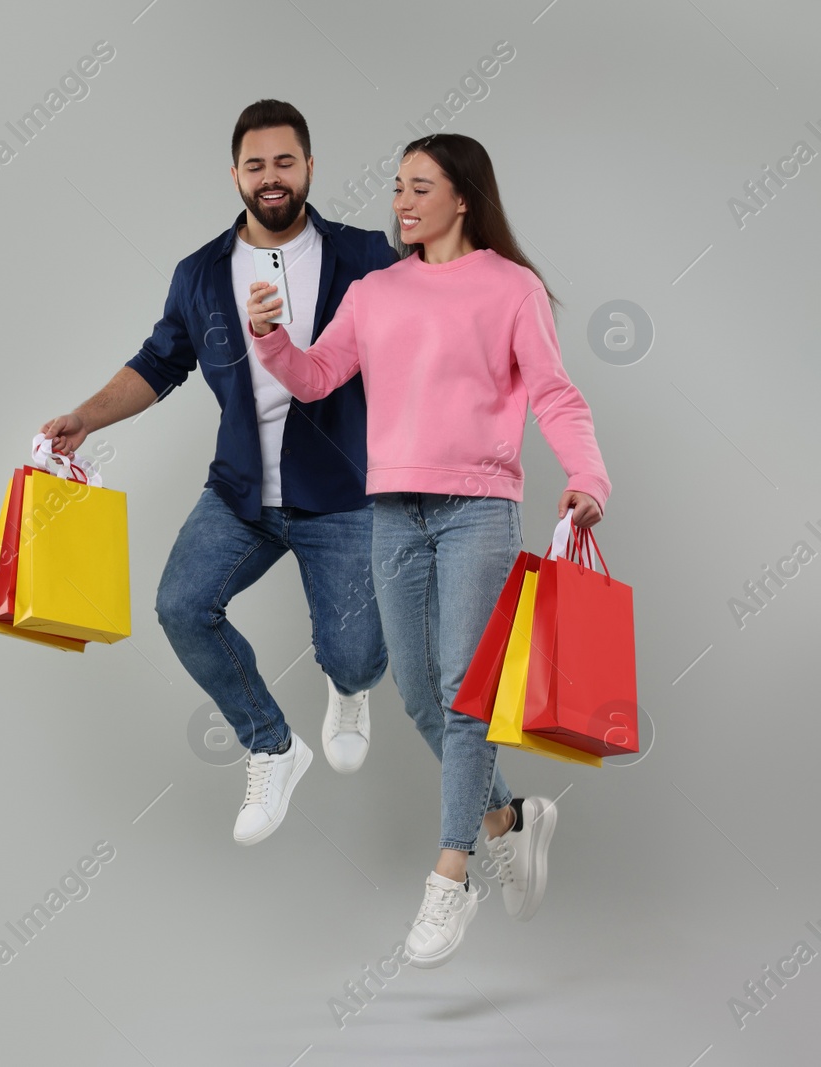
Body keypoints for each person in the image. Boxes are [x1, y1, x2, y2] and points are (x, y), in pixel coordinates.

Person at [246, 132, 611, 967]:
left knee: (463, 693)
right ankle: (507, 817)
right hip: (392, 511)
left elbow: (556, 394)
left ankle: (451, 876)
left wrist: (588, 474)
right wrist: (270, 339)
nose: (402, 201)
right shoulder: (377, 292)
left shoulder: (511, 288)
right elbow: (313, 377)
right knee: (417, 692)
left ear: (463, 198)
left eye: (420, 187)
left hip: (478, 509)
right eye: (397, 187)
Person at [40, 100, 393, 848]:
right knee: (180, 606)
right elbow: (159, 362)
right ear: (235, 174)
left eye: (285, 162)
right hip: (240, 494)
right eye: (256, 165)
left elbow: (429, 337)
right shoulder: (200, 274)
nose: (271, 178)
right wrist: (86, 417)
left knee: (357, 655)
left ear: (309, 168)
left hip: (341, 497)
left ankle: (348, 686)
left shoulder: (364, 255)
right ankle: (271, 744)